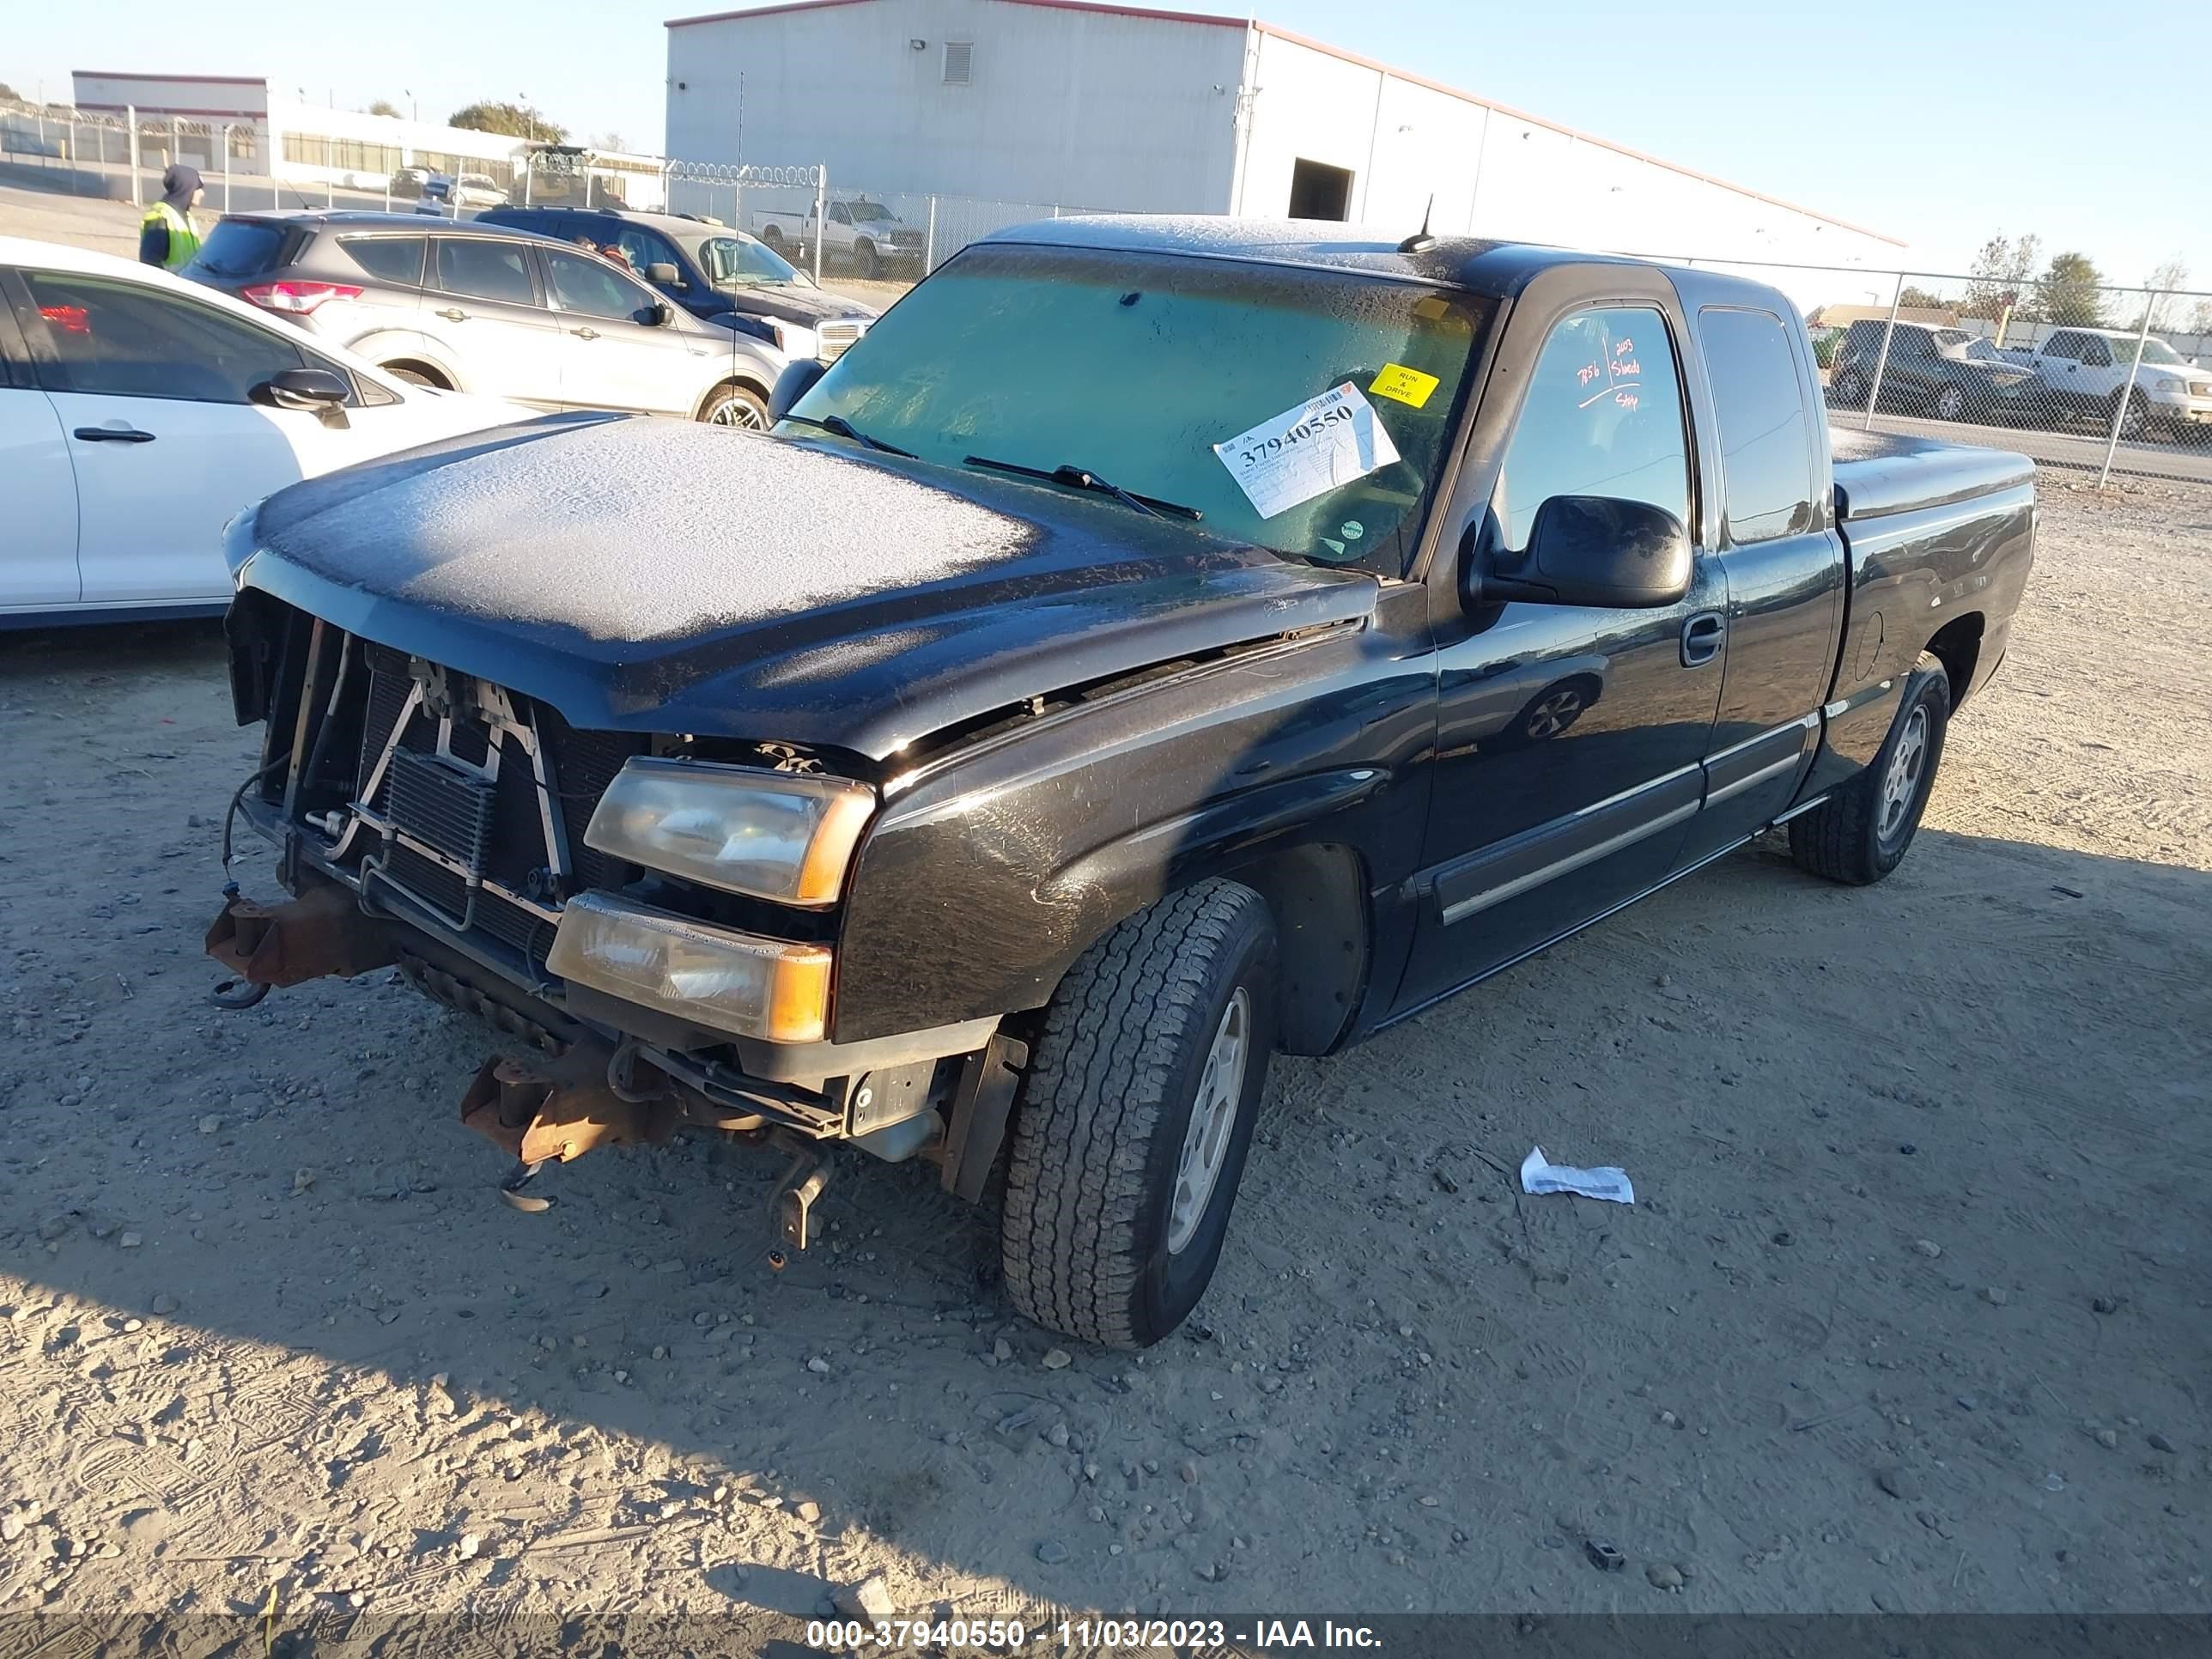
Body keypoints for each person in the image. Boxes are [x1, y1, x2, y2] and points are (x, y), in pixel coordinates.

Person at [138, 165, 204, 270]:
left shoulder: (186, 216)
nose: (202, 193)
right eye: (198, 188)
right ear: (187, 188)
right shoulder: (161, 217)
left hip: (187, 284)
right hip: (168, 285)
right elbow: (150, 264)